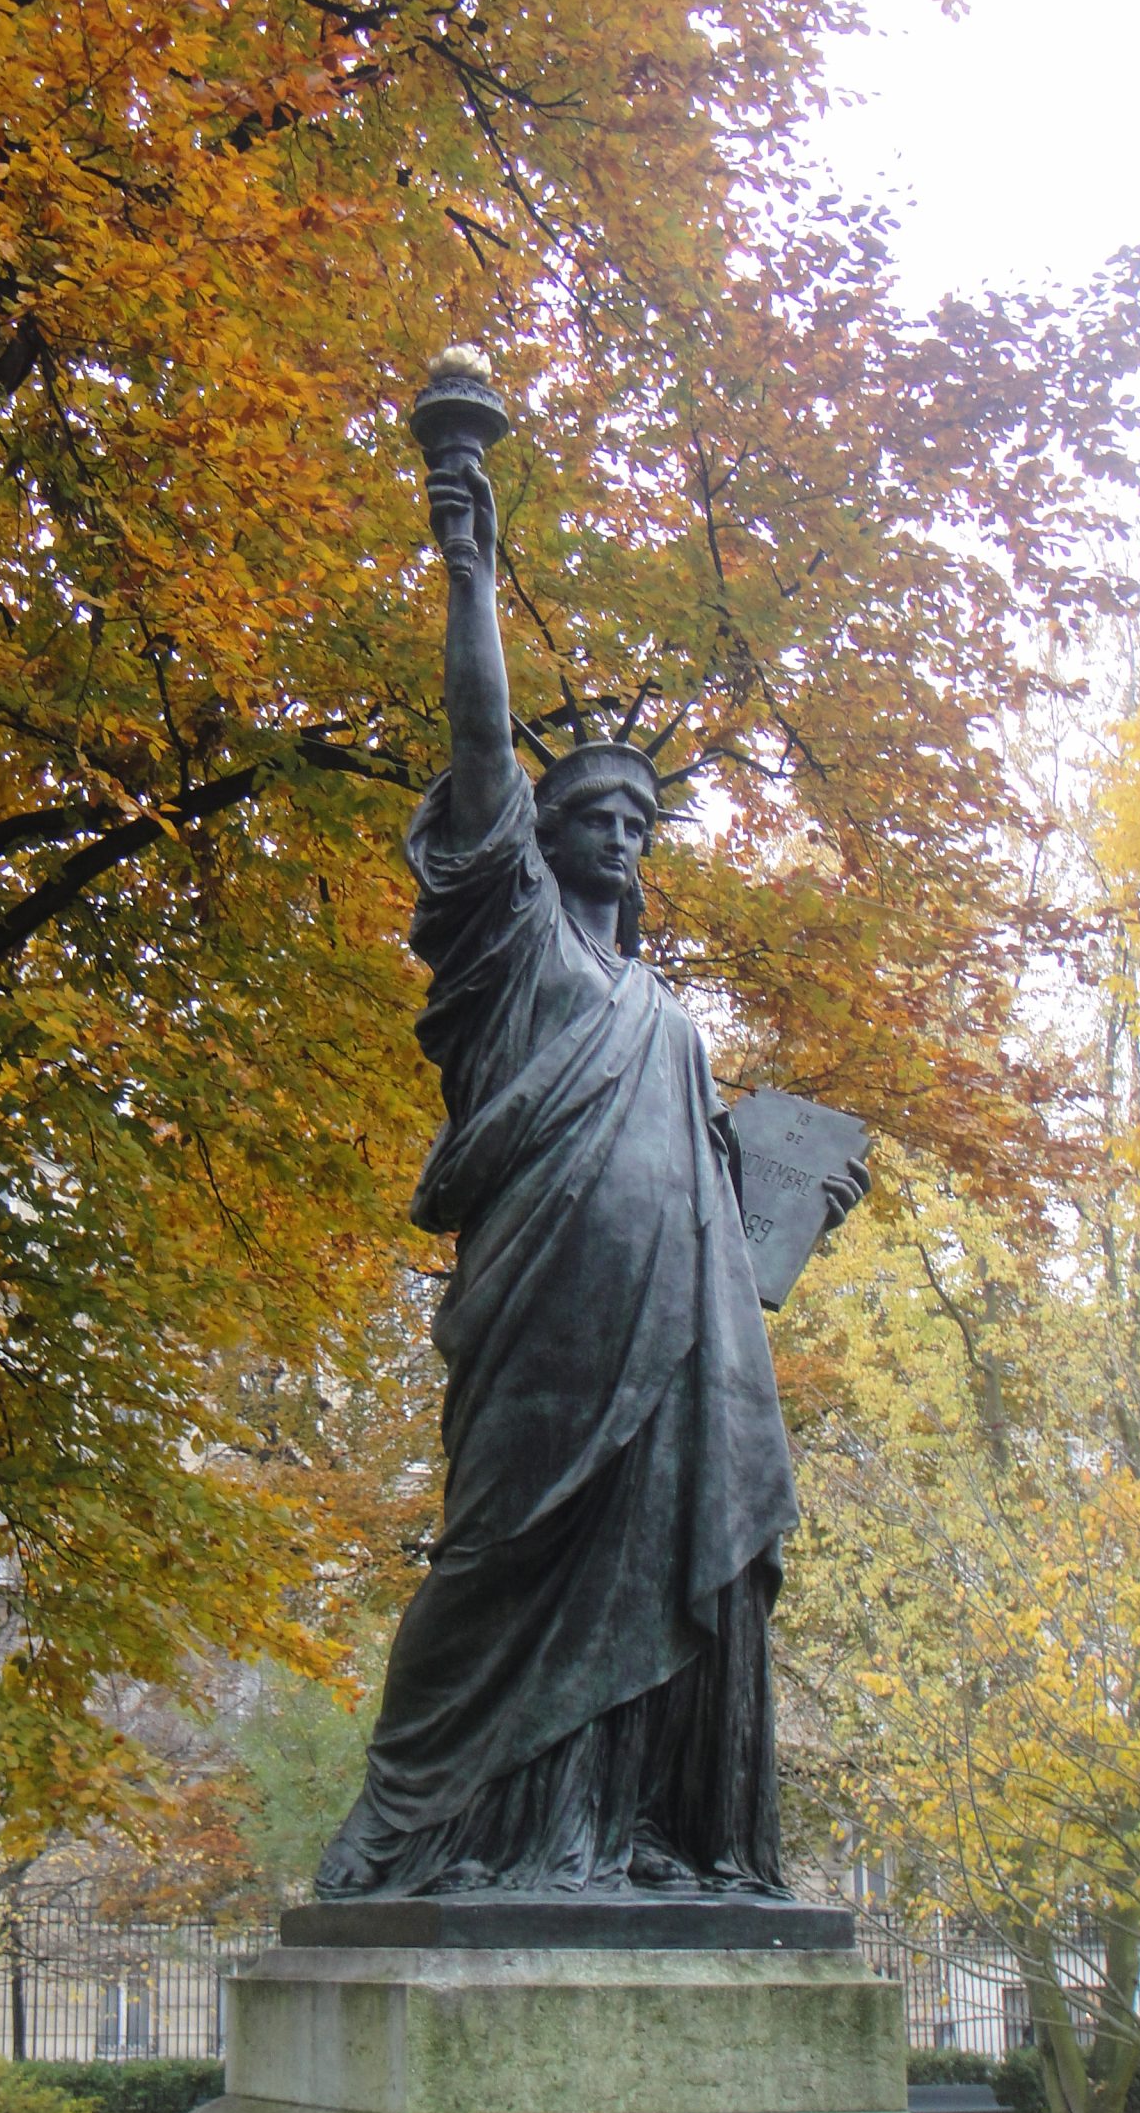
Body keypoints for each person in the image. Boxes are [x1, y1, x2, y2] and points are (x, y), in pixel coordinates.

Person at [315, 449, 865, 1901]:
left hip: (676, 1351)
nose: (619, 834)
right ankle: (414, 1815)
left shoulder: (671, 1025)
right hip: (542, 1318)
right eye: (591, 817)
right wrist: (470, 569)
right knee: (497, 1551)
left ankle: (621, 1836)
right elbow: (483, 744)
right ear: (539, 843)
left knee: (667, 1562)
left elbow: (712, 1237)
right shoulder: (512, 950)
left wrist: (790, 1225)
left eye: (640, 822)